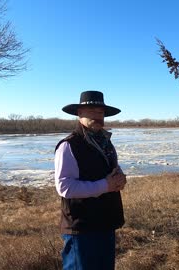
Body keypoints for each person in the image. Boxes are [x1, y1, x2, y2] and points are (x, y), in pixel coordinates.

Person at [54, 90, 127, 270]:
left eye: (101, 112)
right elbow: (64, 187)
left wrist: (120, 178)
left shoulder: (106, 143)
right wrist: (106, 185)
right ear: (79, 114)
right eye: (92, 111)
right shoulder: (69, 145)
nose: (98, 116)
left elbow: (111, 169)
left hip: (106, 223)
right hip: (82, 228)